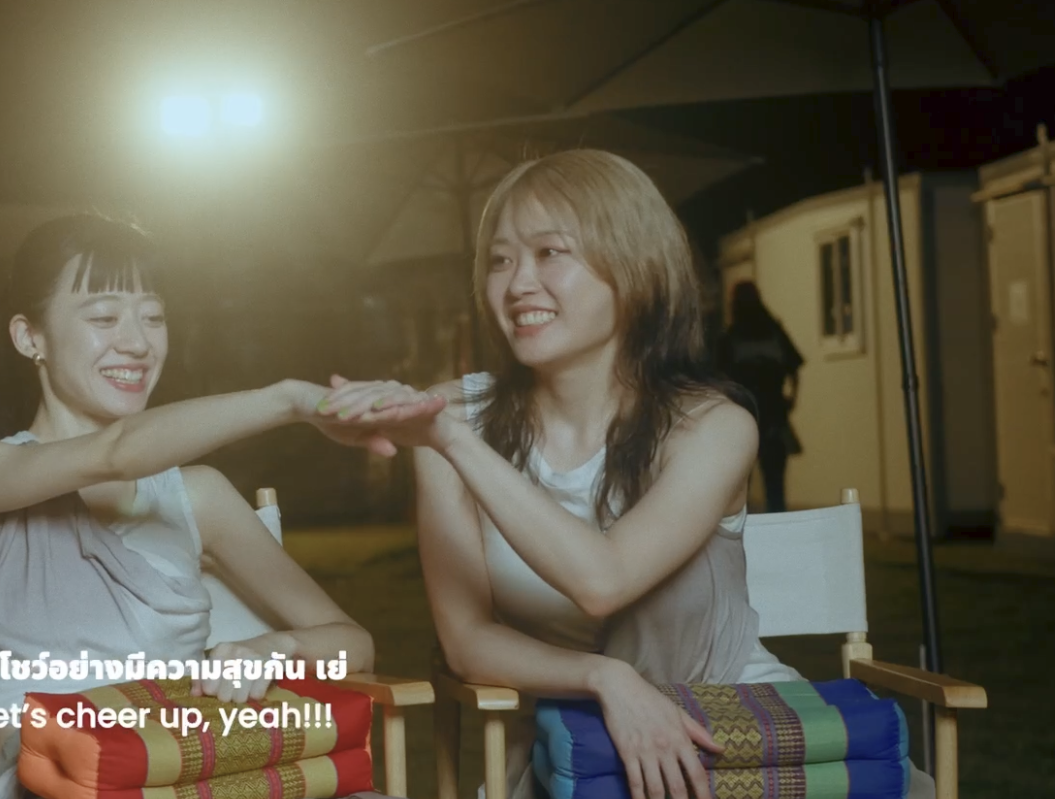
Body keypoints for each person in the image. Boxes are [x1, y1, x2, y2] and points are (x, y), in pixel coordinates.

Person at [321, 150, 931, 799]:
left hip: (729, 717)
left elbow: (601, 581)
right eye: (500, 259)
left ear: (635, 267)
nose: (517, 282)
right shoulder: (452, 414)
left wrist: (452, 441)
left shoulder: (714, 426)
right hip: (569, 741)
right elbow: (467, 641)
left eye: (550, 252)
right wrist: (604, 679)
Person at [0, 213, 435, 799]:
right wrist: (289, 401)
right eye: (104, 317)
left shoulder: (198, 496)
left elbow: (353, 645)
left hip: (191, 772)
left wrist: (273, 648)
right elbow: (115, 454)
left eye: (153, 317)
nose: (138, 342)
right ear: (29, 337)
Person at [717, 280, 803, 512]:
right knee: (774, 486)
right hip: (771, 415)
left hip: (747, 416)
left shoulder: (733, 337)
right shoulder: (773, 332)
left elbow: (719, 377)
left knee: (740, 485)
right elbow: (794, 369)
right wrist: (791, 399)